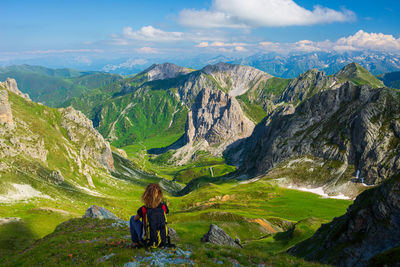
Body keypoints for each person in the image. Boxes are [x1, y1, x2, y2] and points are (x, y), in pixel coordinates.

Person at [129, 183, 169, 248]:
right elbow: (166, 213)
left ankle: (135, 242)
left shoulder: (143, 209)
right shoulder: (163, 207)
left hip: (147, 241)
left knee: (132, 218)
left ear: (146, 195)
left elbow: (135, 219)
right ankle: (159, 239)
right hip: (162, 240)